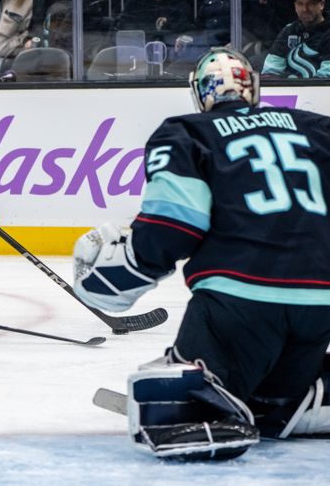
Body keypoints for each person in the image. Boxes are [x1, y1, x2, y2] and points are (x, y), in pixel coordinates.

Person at [74, 47, 330, 460]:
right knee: (280, 388)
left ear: (200, 94)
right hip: (321, 304)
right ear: (253, 88)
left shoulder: (188, 133)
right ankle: (291, 399)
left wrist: (109, 279)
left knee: (179, 378)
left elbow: (173, 227)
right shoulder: (317, 130)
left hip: (239, 299)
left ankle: (201, 402)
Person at [262, 0, 330, 78]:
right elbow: (270, 71)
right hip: (289, 91)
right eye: (300, 3)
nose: (305, 9)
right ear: (295, 6)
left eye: (311, 3)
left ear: (321, 5)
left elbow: (326, 77)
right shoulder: (289, 30)